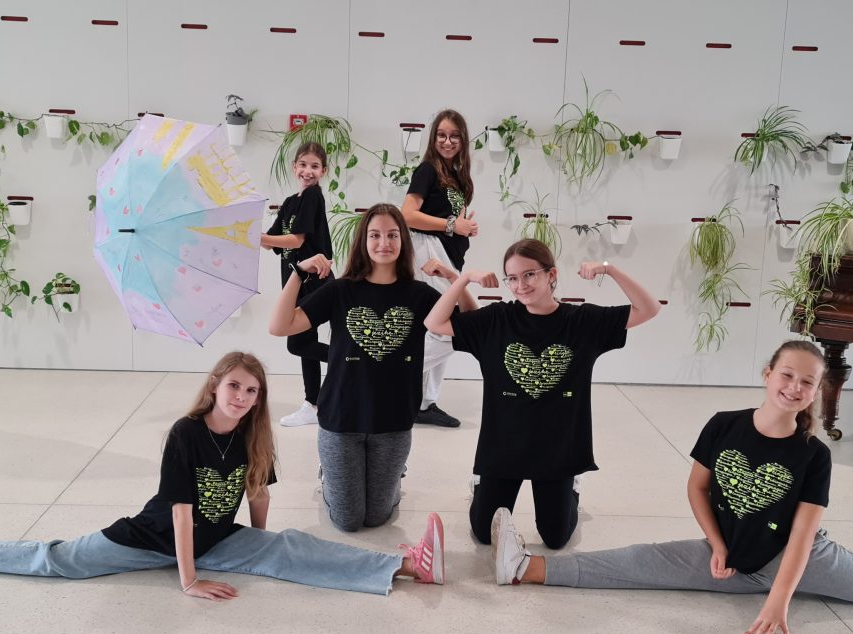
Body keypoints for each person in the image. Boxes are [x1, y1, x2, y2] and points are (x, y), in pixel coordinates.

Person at [489, 340, 853, 634]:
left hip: (800, 559)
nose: (794, 386)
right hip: (729, 558)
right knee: (636, 564)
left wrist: (778, 599)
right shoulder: (724, 424)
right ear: (767, 374)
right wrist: (717, 545)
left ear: (816, 392)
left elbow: (803, 537)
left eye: (807, 382)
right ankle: (522, 567)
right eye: (787, 375)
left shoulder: (813, 454)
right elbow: (697, 488)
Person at [0, 352, 446, 597]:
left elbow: (256, 494)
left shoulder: (255, 435)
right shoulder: (186, 433)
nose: (243, 397)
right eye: (234, 386)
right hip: (148, 538)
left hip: (217, 540)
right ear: (215, 385)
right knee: (56, 560)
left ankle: (406, 566)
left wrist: (261, 544)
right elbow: (180, 514)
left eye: (252, 391)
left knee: (291, 547)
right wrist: (188, 580)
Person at [425, 239, 659, 549]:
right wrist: (463, 278)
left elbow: (649, 308)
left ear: (551, 275)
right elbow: (434, 322)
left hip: (557, 450)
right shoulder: (497, 319)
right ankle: (481, 484)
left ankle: (573, 485)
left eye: (529, 275)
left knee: (555, 538)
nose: (520, 285)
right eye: (512, 278)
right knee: (483, 533)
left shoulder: (582, 322)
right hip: (503, 447)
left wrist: (609, 269)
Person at [269, 204, 479, 532]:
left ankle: (395, 474)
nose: (384, 243)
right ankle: (328, 474)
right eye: (375, 235)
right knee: (348, 520)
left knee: (377, 516)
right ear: (363, 241)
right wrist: (298, 272)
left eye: (392, 235)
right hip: (341, 420)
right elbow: (280, 326)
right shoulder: (340, 290)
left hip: (393, 421)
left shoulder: (419, 294)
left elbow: (472, 326)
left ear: (403, 241)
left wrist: (455, 278)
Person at [401, 109, 477, 428]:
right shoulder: (427, 170)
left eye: (454, 136)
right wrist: (451, 225)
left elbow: (453, 220)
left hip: (448, 256)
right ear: (433, 138)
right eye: (441, 135)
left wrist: (463, 228)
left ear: (463, 140)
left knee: (436, 326)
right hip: (429, 252)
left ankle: (424, 403)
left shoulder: (457, 176)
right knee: (447, 324)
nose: (447, 141)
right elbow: (407, 214)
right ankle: (393, 374)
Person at [260, 143, 333, 428]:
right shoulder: (291, 202)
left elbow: (296, 240)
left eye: (314, 166)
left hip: (315, 283)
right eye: (303, 165)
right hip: (296, 284)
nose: (308, 171)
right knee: (305, 343)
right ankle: (312, 404)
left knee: (298, 343)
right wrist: (250, 233)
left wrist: (261, 238)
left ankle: (349, 360)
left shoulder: (313, 196)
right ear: (294, 167)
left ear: (323, 171)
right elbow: (272, 243)